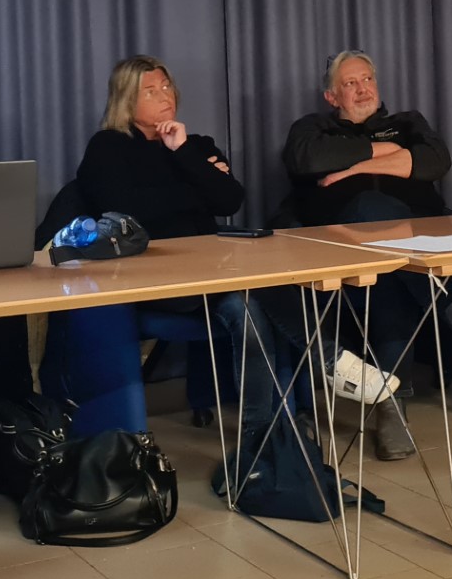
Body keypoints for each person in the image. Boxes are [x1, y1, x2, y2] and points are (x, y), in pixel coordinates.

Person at [41, 56, 397, 450]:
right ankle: (332, 361)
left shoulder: (195, 146)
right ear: (126, 99)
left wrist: (182, 154)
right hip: (151, 278)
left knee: (249, 306)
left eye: (166, 86)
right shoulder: (108, 146)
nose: (165, 96)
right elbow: (126, 210)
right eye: (151, 91)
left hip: (214, 272)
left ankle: (261, 438)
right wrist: (196, 187)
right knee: (255, 287)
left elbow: (228, 199)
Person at [281, 50, 452, 460]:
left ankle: (390, 406)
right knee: (372, 216)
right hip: (344, 246)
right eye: (351, 83)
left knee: (389, 269)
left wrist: (352, 167)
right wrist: (389, 155)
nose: (363, 89)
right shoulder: (313, 129)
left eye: (368, 79)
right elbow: (310, 159)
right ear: (332, 97)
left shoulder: (408, 122)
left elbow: (436, 161)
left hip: (419, 240)